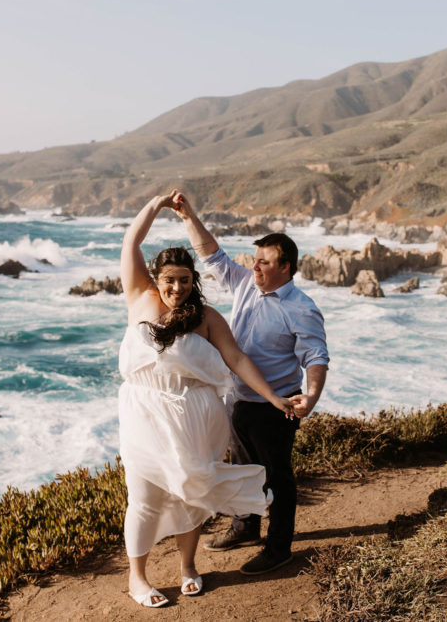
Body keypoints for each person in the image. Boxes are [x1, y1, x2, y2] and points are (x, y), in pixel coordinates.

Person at [118, 192, 295, 608]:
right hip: (145, 412)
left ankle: (187, 567)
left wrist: (274, 398)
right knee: (143, 497)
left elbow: (236, 358)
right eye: (169, 280)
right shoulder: (139, 299)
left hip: (195, 415)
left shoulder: (207, 318)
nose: (176, 288)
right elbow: (130, 243)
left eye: (184, 280)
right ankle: (137, 578)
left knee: (190, 492)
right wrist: (157, 206)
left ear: (192, 281)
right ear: (156, 280)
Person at [171, 190, 329, 576]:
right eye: (254, 260)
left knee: (277, 478)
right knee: (242, 470)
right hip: (237, 399)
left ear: (286, 267)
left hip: (276, 406)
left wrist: (311, 396)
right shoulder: (244, 283)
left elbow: (316, 357)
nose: (254, 267)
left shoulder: (302, 309)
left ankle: (279, 549)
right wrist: (187, 214)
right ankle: (245, 528)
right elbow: (210, 252)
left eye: (264, 263)